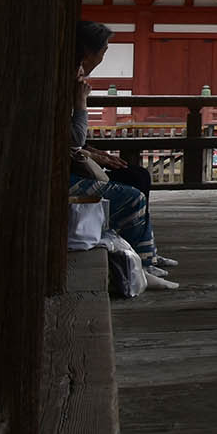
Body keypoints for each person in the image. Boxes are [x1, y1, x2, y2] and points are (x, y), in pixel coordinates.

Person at [73, 21, 177, 288]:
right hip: (66, 173)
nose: (103, 56)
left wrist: (96, 154)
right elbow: (73, 138)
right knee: (132, 197)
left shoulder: (76, 76)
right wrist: (81, 103)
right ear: (89, 51)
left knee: (137, 174)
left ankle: (147, 254)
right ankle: (140, 266)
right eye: (103, 50)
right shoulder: (71, 84)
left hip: (75, 159)